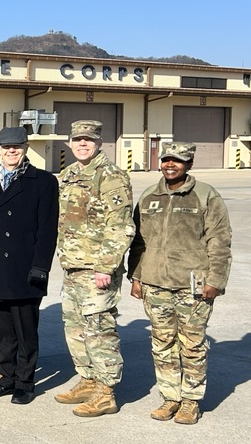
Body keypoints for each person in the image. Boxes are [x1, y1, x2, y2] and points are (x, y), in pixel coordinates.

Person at [128, 142, 232, 425]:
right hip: (154, 283)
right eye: (166, 160)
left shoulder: (206, 195)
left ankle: (191, 401)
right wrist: (136, 276)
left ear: (189, 164)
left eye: (177, 161)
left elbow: (219, 241)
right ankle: (170, 397)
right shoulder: (150, 195)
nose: (170, 165)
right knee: (162, 343)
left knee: (193, 345)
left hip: (193, 285)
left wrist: (215, 280)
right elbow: (138, 241)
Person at [54, 120, 133, 417]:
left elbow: (121, 226)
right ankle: (88, 379)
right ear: (70, 143)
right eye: (77, 140)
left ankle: (105, 392)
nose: (82, 144)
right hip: (73, 266)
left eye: (88, 139)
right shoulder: (69, 174)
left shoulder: (110, 175)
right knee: (76, 329)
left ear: (99, 142)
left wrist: (106, 266)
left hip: (97, 269)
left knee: (99, 330)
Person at [0, 127, 58, 405]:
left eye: (17, 147)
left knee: (25, 330)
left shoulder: (43, 181)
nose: (12, 151)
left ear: (25, 148)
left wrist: (41, 266)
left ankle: (25, 381)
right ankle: (6, 376)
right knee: (2, 331)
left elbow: (48, 229)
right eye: (7, 147)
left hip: (25, 267)